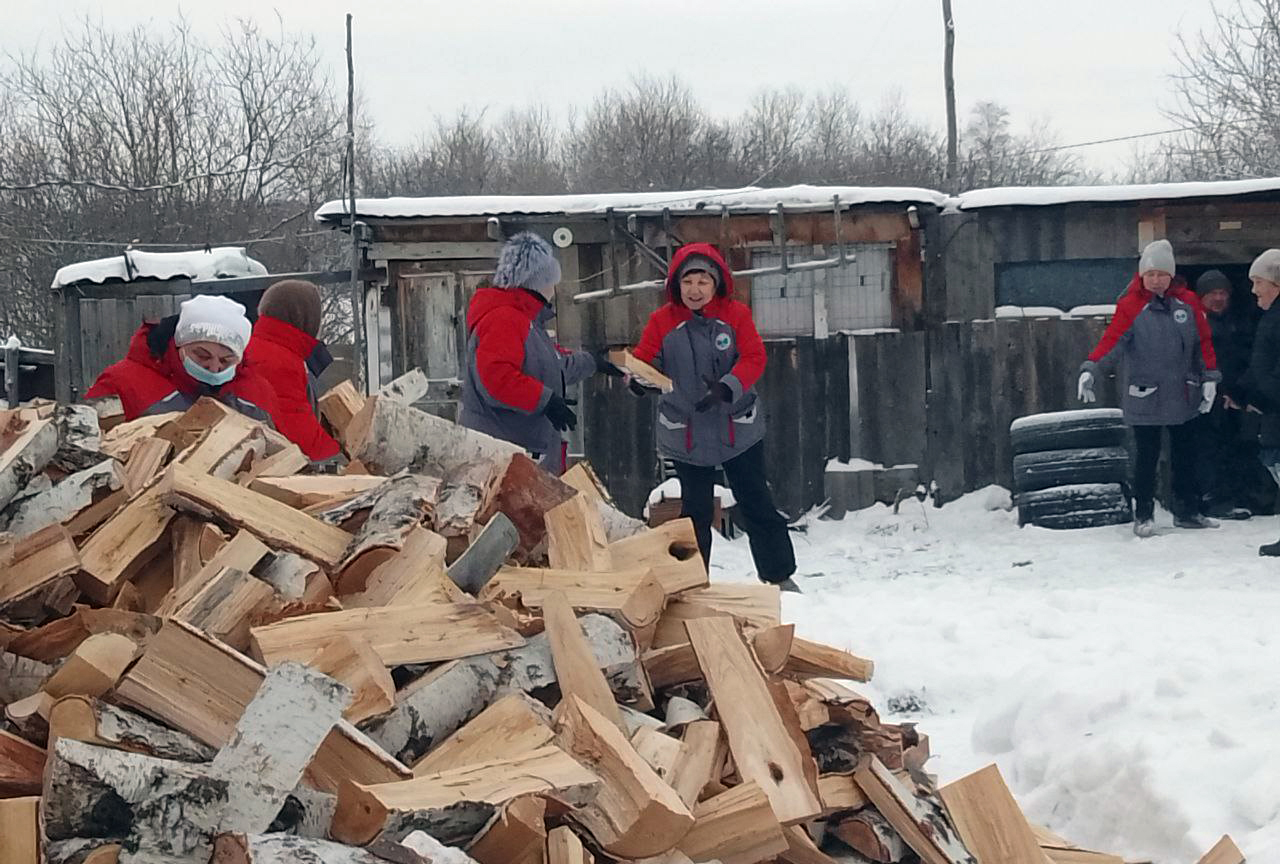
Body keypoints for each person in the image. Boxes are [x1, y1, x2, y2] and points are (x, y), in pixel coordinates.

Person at [629, 242, 798, 589]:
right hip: (685, 431)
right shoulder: (662, 321)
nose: (695, 290)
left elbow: (754, 357)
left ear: (716, 283)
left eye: (702, 282)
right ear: (676, 285)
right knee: (694, 514)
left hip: (737, 427)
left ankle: (780, 576)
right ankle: (691, 583)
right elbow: (644, 360)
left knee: (756, 502)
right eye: (688, 282)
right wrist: (638, 380)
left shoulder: (736, 315)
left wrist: (727, 387)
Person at [1078, 239, 1221, 537]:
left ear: (1172, 275)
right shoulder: (1131, 305)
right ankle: (1143, 514)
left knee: (1186, 456)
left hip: (1184, 393)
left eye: (1162, 274)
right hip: (1146, 395)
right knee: (1146, 457)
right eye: (1150, 274)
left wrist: (1210, 378)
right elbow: (1112, 342)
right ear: (1142, 276)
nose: (1156, 280)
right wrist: (1092, 369)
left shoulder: (1189, 303)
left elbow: (1203, 343)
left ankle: (1188, 511)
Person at [459, 231, 620, 474]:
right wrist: (545, 400)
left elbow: (548, 369)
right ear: (539, 281)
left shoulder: (526, 320)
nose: (554, 288)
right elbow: (497, 378)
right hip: (501, 455)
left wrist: (593, 362)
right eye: (552, 281)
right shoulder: (505, 318)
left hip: (517, 450)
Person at [86, 294, 282, 425]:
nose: (214, 368)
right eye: (202, 355)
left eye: (226, 361)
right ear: (179, 345)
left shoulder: (259, 393)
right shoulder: (122, 383)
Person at [243, 279, 341, 464]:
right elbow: (300, 435)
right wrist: (343, 453)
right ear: (305, 318)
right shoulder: (279, 362)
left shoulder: (273, 350)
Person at [1193, 269, 1258, 518]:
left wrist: (1242, 391)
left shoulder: (1239, 323)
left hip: (1238, 397)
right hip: (1205, 398)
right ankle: (1213, 500)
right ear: (1201, 296)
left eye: (1223, 293)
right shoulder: (1194, 323)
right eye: (1212, 293)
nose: (1218, 298)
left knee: (1238, 447)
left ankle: (1241, 496)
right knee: (1208, 449)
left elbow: (1248, 358)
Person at [1228, 249, 1280, 555]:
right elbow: (1261, 364)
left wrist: (1262, 398)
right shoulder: (1271, 317)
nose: (1253, 289)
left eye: (1258, 281)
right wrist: (1241, 391)